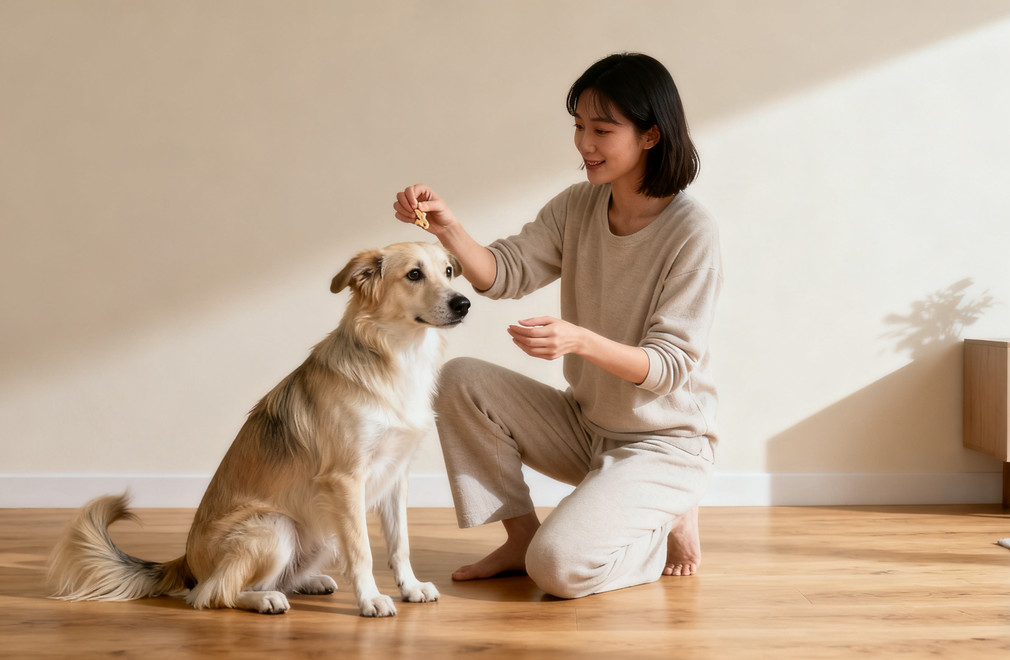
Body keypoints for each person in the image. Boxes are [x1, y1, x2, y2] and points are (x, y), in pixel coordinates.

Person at [393, 52, 721, 599]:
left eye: (602, 129)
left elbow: (669, 368)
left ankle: (666, 519)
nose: (584, 144)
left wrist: (579, 340)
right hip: (588, 426)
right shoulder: (579, 206)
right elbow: (504, 273)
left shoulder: (692, 231)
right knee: (460, 380)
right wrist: (448, 227)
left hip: (664, 443)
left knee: (560, 570)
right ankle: (521, 537)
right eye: (578, 127)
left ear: (650, 136)